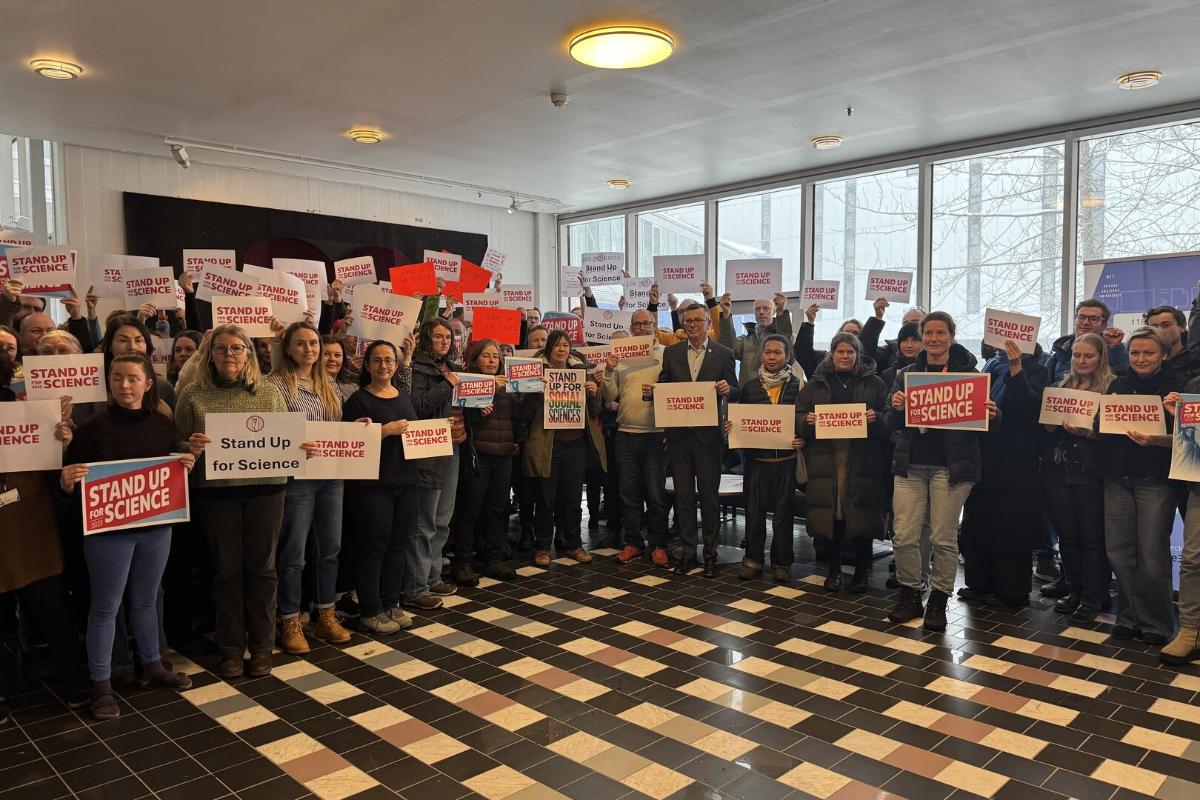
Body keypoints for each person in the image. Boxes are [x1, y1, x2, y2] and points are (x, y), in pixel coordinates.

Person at [60, 353, 195, 719]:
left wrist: (185, 463)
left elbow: (170, 472)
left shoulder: (163, 426)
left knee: (146, 600)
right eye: (117, 378)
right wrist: (67, 482)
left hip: (155, 528)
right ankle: (100, 685)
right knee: (105, 607)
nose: (124, 385)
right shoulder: (92, 428)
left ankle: (151, 664)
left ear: (148, 384)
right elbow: (71, 481)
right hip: (108, 533)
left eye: (133, 378)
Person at [174, 324, 299, 679]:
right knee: (226, 572)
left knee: (263, 570)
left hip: (266, 491)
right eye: (221, 349)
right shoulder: (193, 394)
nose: (229, 355)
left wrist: (299, 447)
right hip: (216, 494)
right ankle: (230, 648)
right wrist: (190, 448)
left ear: (248, 354)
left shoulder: (269, 393)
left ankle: (261, 646)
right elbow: (178, 443)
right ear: (209, 354)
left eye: (236, 348)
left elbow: (283, 441)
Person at [885, 311, 997, 631]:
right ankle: (909, 594)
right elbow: (887, 423)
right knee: (905, 535)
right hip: (910, 466)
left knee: (942, 538)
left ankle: (938, 600)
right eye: (928, 333)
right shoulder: (905, 374)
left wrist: (993, 414)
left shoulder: (970, 374)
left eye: (940, 333)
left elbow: (986, 425)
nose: (934, 339)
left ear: (951, 336)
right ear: (922, 338)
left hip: (952, 469)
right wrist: (894, 409)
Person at [0, 349, 86, 720]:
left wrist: (61, 440)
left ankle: (75, 682)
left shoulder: (25, 406)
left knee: (51, 606)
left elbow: (57, 472)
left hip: (30, 515)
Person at [267, 321, 352, 654]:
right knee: (293, 553)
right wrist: (292, 444)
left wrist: (354, 431)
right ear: (287, 348)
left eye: (314, 344)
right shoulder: (273, 386)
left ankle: (325, 614)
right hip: (296, 477)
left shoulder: (328, 382)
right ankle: (289, 619)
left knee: (329, 548)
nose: (309, 350)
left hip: (331, 474)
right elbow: (268, 436)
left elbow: (336, 426)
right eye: (301, 344)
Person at [1100, 326, 1179, 646]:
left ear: (1162, 354)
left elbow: (1187, 439)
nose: (1141, 358)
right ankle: (1130, 616)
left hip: (1155, 481)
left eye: (1148, 352)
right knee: (1119, 552)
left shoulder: (1177, 388)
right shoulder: (1118, 385)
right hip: (1118, 479)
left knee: (1152, 554)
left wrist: (1157, 437)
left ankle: (1157, 624)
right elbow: (1102, 425)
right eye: (1135, 353)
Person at [646, 302, 738, 577]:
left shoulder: (724, 354)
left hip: (709, 436)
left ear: (709, 324)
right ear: (683, 324)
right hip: (679, 436)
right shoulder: (672, 353)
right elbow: (665, 386)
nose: (694, 325)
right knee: (683, 497)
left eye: (699, 320)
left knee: (709, 497)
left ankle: (710, 555)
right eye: (689, 321)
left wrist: (727, 389)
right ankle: (688, 553)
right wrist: (653, 393)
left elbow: (735, 390)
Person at [959, 341, 1050, 609]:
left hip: (1015, 457)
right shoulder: (989, 365)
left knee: (1009, 524)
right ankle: (979, 582)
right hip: (985, 452)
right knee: (979, 518)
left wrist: (1016, 369)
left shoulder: (1036, 369)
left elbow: (1029, 407)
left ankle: (1011, 590)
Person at [796, 334, 890, 592]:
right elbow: (797, 417)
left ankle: (861, 572)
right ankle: (834, 570)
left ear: (858, 354)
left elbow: (890, 419)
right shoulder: (816, 385)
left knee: (861, 515)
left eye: (850, 352)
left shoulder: (875, 383)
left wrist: (877, 418)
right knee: (833, 516)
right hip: (827, 458)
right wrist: (808, 422)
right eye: (840, 351)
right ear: (832, 354)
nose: (845, 356)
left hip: (862, 459)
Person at [342, 340, 421, 634]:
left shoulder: (403, 396)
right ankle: (370, 609)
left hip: (406, 483)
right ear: (367, 365)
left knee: (397, 546)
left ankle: (391, 603)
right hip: (372, 487)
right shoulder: (358, 401)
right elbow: (349, 445)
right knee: (373, 549)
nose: (383, 366)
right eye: (377, 361)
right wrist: (384, 431)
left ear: (396, 365)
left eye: (389, 360)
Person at [1038, 333, 1114, 621]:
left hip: (1090, 472)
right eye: (1077, 356)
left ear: (1100, 357)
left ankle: (1095, 595)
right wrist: (1045, 424)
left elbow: (1118, 435)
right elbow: (1045, 429)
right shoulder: (1060, 386)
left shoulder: (1111, 389)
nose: (1082, 361)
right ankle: (1074, 589)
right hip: (1057, 470)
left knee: (1092, 538)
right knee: (1068, 536)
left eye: (1088, 356)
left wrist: (1090, 432)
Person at [525, 329, 604, 566]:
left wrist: (593, 394)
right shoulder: (538, 374)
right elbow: (525, 412)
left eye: (565, 345)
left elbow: (595, 411)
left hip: (575, 444)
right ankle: (542, 547)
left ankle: (574, 544)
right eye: (557, 345)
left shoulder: (579, 373)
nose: (561, 349)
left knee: (571, 498)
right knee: (546, 499)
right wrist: (535, 392)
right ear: (549, 349)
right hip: (549, 445)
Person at [453, 339, 531, 581]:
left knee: (498, 510)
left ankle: (494, 560)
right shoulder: (468, 383)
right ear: (476, 359)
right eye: (486, 356)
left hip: (503, 456)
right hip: (478, 456)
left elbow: (521, 416)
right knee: (469, 511)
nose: (491, 361)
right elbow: (463, 419)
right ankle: (463, 563)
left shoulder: (508, 385)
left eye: (495, 357)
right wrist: (481, 404)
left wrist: (531, 394)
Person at [732, 335, 805, 582]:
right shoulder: (750, 387)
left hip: (786, 462)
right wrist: (733, 427)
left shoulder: (799, 386)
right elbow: (742, 421)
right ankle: (752, 561)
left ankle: (782, 564)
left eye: (778, 353)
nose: (772, 357)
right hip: (756, 463)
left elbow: (803, 420)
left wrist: (802, 438)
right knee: (754, 514)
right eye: (768, 352)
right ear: (761, 355)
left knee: (784, 516)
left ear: (788, 356)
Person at [602, 311, 671, 566]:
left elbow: (675, 389)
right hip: (626, 433)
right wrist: (609, 371)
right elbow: (611, 395)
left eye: (646, 323)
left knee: (655, 494)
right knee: (628, 493)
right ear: (631, 328)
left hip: (655, 435)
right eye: (637, 324)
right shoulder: (622, 356)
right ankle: (632, 543)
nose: (642, 328)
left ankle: (658, 545)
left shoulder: (666, 353)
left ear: (655, 326)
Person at [406, 318, 462, 609]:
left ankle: (433, 577)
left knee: (442, 520)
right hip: (427, 449)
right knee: (423, 522)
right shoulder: (417, 368)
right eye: (438, 337)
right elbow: (416, 407)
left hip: (452, 447)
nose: (444, 342)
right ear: (426, 339)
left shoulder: (451, 368)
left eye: (448, 338)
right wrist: (446, 384)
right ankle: (416, 587)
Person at [1044, 299, 1128, 382]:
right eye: (1081, 317)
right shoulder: (1058, 356)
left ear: (1104, 325)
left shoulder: (1115, 351)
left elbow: (1126, 381)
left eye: (1093, 319)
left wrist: (1115, 348)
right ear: (1074, 321)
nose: (1086, 322)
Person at [720, 294, 793, 381]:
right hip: (748, 392)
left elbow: (789, 356)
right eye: (757, 309)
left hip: (777, 390)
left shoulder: (786, 335)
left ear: (774, 311)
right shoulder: (745, 340)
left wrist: (781, 314)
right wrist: (726, 315)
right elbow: (728, 349)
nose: (761, 312)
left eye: (766, 308)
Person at [321, 335, 360, 400]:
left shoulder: (353, 389)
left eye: (337, 355)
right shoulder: (307, 387)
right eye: (326, 354)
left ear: (343, 359)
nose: (332, 359)